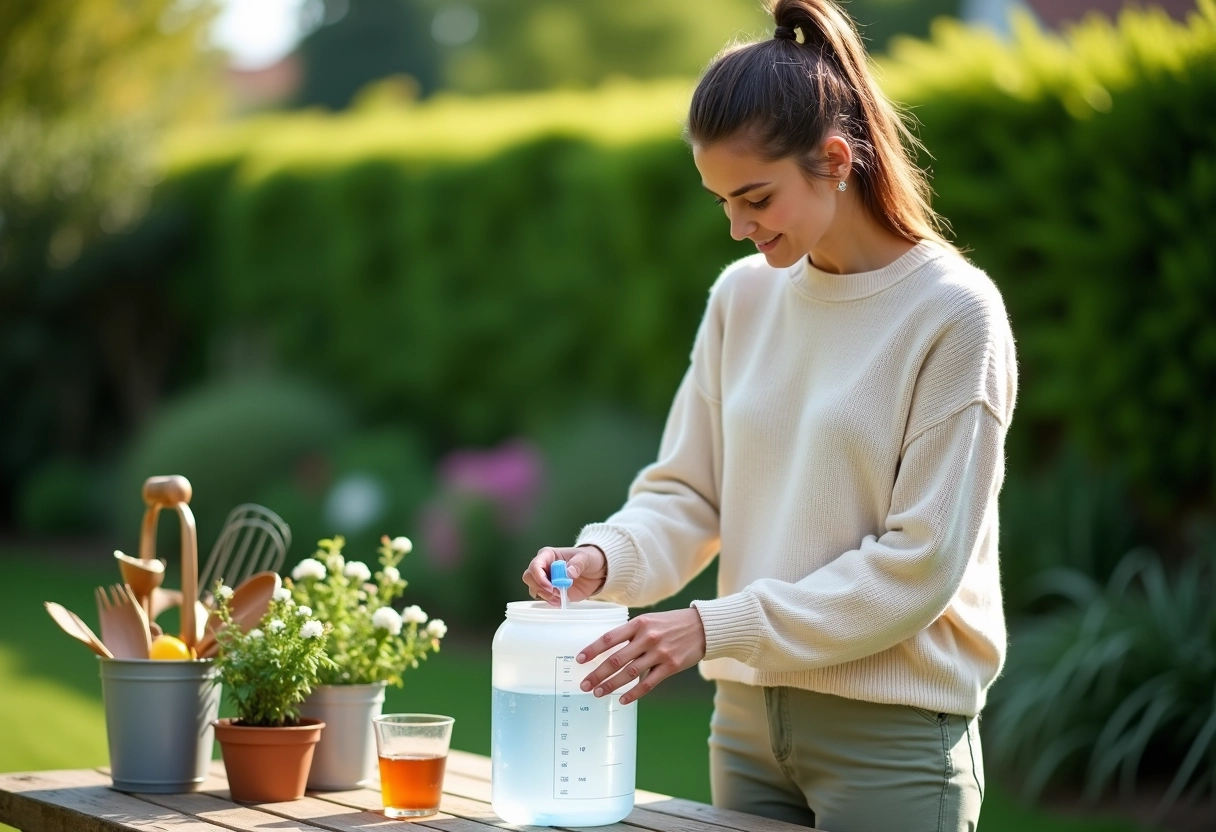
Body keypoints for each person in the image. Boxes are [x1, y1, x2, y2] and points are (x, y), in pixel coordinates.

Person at [522, 1, 1016, 829]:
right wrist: (604, 557)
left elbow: (919, 566)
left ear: (834, 159)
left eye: (755, 197)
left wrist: (712, 626)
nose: (736, 227)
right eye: (721, 201)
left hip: (890, 740)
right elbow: (689, 496)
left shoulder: (954, 314)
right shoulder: (742, 297)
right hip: (745, 729)